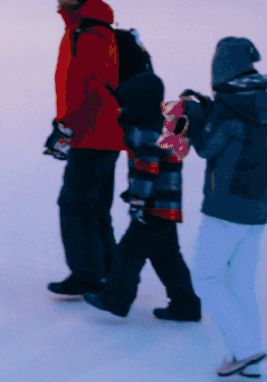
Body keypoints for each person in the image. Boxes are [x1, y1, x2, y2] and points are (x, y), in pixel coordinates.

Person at [182, 36, 267, 379]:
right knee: (241, 284)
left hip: (225, 208)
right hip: (256, 208)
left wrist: (195, 117)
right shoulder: (264, 103)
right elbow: (236, 133)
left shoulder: (230, 109)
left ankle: (247, 350)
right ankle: (248, 360)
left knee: (206, 278)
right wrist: (210, 110)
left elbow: (207, 146)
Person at [93, 30, 199, 322]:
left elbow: (147, 167)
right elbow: (177, 154)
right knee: (167, 257)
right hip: (169, 206)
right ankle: (186, 305)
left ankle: (115, 298)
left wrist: (137, 200)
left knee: (129, 252)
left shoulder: (145, 132)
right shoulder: (167, 126)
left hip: (152, 207)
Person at [44, 0, 124, 300]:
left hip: (91, 135)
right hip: (102, 134)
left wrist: (66, 128)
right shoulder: (89, 29)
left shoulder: (90, 34)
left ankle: (87, 275)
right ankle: (108, 268)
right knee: (95, 206)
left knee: (74, 204)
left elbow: (89, 90)